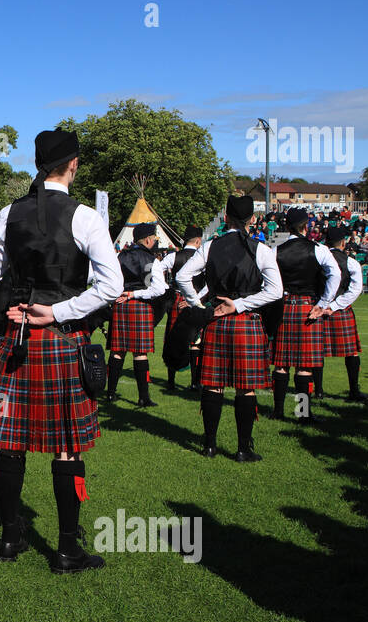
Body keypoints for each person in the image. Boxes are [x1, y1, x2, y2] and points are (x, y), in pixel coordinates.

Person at [0, 128, 122, 573]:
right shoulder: (86, 217)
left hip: (17, 340)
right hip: (63, 341)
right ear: (73, 165)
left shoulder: (8, 213)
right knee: (67, 447)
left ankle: (10, 538)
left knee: (10, 444)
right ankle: (67, 550)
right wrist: (61, 310)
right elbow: (113, 285)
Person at [176, 195, 283, 461]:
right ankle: (243, 449)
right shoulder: (261, 250)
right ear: (253, 220)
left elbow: (181, 276)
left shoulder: (209, 247)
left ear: (225, 219)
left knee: (213, 385)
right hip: (246, 321)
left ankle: (210, 446)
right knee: (245, 387)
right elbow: (276, 291)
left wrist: (198, 306)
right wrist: (241, 304)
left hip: (216, 319)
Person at [269, 207, 339, 422]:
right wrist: (324, 303)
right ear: (305, 226)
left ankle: (278, 411)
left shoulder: (275, 250)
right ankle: (303, 413)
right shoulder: (319, 249)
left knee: (280, 363)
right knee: (304, 366)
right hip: (307, 307)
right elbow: (335, 275)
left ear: (287, 226)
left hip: (283, 306)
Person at [104, 223, 166, 406]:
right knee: (140, 353)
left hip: (121, 305)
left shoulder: (119, 256)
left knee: (117, 351)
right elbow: (159, 289)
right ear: (147, 239)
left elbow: (109, 280)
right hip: (140, 306)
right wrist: (135, 294)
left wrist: (120, 295)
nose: (154, 242)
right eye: (154, 239)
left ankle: (110, 394)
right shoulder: (152, 260)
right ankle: (143, 397)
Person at [316, 225, 366, 401]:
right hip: (340, 310)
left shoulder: (318, 259)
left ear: (325, 241)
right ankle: (354, 391)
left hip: (319, 309)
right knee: (351, 351)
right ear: (343, 243)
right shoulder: (351, 262)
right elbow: (355, 289)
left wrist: (324, 305)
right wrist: (336, 305)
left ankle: (318, 391)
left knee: (317, 351)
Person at [158, 225, 207, 391]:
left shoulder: (173, 256)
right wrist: (197, 298)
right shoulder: (203, 257)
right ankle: (195, 382)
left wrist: (166, 288)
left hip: (177, 299)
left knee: (173, 338)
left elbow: (156, 270)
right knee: (195, 341)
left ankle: (171, 382)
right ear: (198, 240)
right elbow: (210, 283)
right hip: (196, 302)